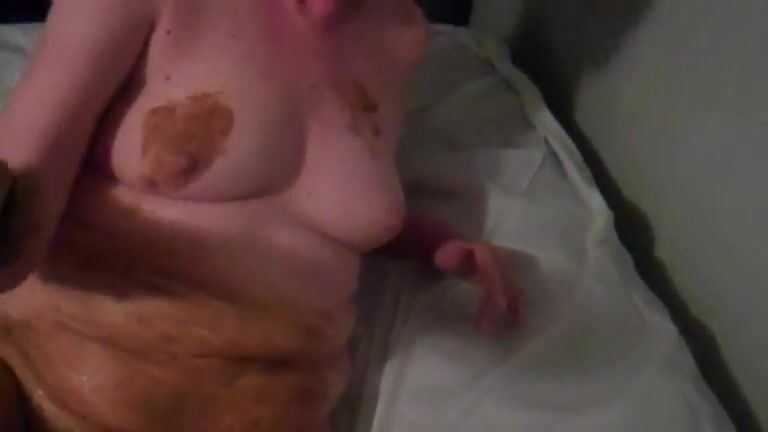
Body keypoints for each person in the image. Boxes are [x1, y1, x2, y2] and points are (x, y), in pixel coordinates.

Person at [0, 0, 519, 430]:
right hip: (36, 378)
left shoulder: (400, 33)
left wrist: (431, 242)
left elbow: (296, 211)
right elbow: (22, 185)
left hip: (270, 408)